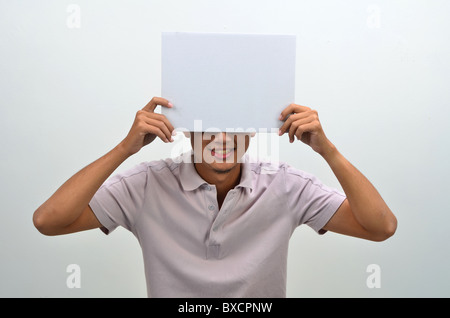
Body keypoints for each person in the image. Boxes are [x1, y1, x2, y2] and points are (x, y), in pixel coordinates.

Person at [33, 97, 397, 297]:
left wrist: (328, 150)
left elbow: (380, 226)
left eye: (234, 128)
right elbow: (49, 220)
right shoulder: (145, 185)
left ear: (253, 134)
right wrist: (124, 149)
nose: (221, 140)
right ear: (185, 132)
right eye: (208, 128)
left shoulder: (286, 185)